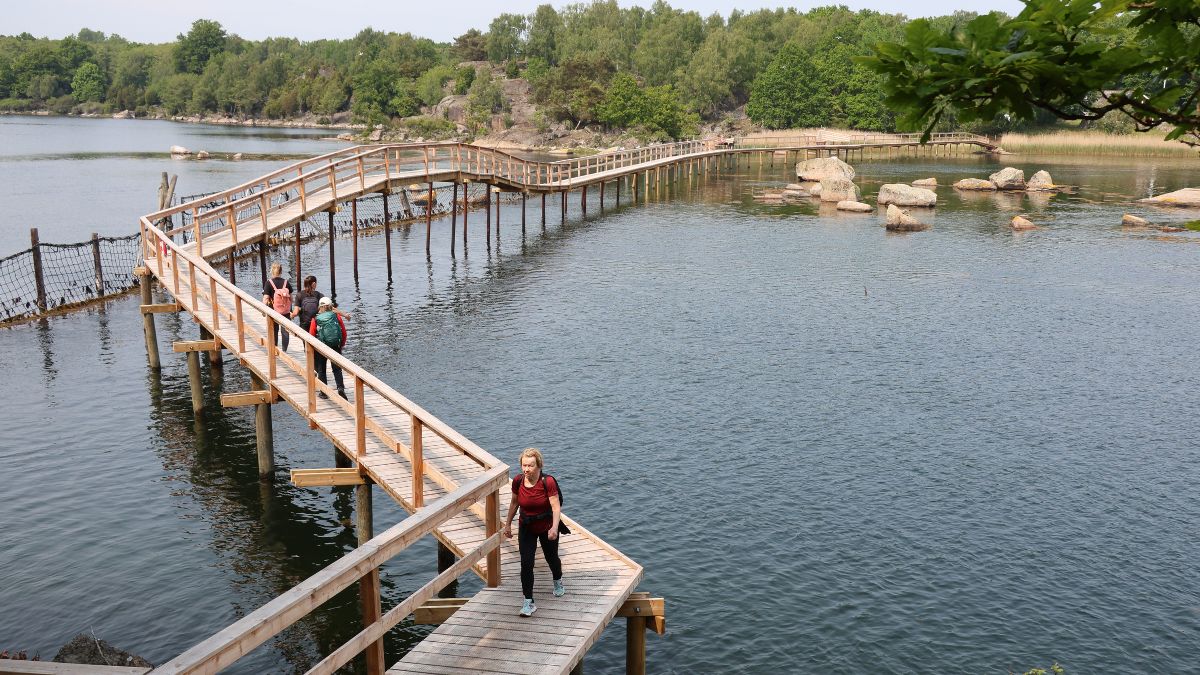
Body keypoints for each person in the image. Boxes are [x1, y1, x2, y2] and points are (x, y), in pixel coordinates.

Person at [503, 447, 565, 617]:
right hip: (526, 526)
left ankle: (557, 579)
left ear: (539, 466)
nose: (526, 469)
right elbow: (514, 503)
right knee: (526, 563)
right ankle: (528, 601)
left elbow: (555, 507)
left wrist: (554, 527)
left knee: (551, 558)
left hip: (546, 526)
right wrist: (507, 525)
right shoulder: (518, 481)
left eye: (530, 465)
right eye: (524, 465)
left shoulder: (548, 482)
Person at [308, 296, 346, 399]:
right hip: (336, 345)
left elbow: (311, 335)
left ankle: (324, 392)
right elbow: (343, 332)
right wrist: (341, 344)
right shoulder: (336, 316)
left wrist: (313, 349)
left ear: (320, 307)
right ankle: (340, 388)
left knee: (321, 370)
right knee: (337, 369)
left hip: (321, 347)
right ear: (330, 306)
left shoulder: (316, 319)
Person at [262, 263, 296, 352]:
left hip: (273, 311)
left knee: (274, 330)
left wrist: (263, 310)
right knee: (285, 332)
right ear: (281, 271)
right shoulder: (286, 282)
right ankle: (284, 351)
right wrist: (290, 310)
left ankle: (274, 349)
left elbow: (266, 298)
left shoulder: (269, 283)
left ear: (271, 271)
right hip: (286, 311)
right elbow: (291, 299)